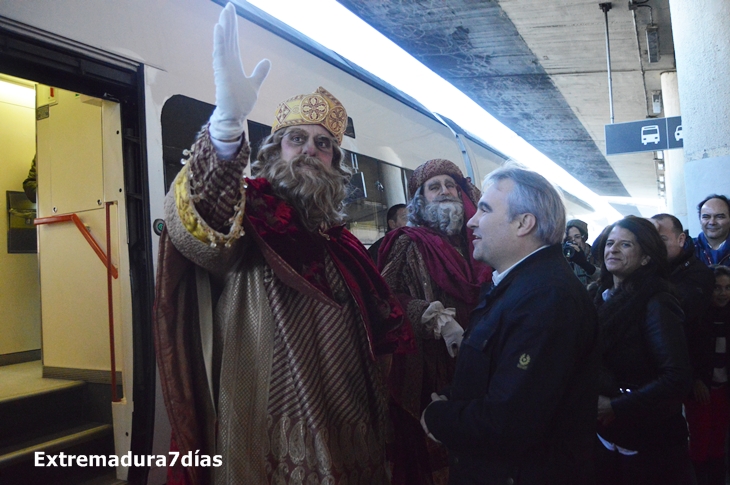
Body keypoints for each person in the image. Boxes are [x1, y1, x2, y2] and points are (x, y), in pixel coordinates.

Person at [153, 5, 411, 484]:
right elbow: (201, 232)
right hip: (266, 424)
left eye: (323, 144)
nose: (311, 150)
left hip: (348, 420)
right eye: (297, 139)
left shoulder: (340, 241)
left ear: (335, 164)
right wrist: (227, 127)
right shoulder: (249, 212)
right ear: (274, 151)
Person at [421, 165, 599, 484]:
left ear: (523, 223)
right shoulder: (520, 286)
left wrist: (438, 416)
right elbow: (497, 374)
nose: (472, 219)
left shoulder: (546, 298)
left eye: (485, 209)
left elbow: (509, 422)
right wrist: (453, 397)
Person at [377, 159, 491, 484]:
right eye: (434, 186)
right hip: (428, 365)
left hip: (478, 361)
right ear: (420, 199)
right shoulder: (406, 241)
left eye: (450, 185)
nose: (445, 191)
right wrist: (433, 318)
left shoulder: (477, 243)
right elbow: (383, 297)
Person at [592, 216, 693, 485]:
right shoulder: (600, 297)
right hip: (613, 435)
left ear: (646, 258)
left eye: (625, 245)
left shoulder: (656, 302)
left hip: (650, 440)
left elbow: (677, 376)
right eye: (610, 243)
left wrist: (615, 406)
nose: (612, 249)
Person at [684, 265, 730, 485]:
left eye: (728, 287)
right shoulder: (697, 317)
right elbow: (686, 353)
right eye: (717, 288)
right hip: (701, 389)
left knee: (719, 442)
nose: (723, 293)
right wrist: (695, 380)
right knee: (700, 442)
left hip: (723, 389)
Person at [651, 213, 714, 339]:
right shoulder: (649, 265)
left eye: (662, 239)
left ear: (681, 240)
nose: (655, 246)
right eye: (652, 239)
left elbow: (673, 311)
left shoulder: (699, 274)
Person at [695, 195, 730, 266]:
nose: (712, 222)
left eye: (719, 217)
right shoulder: (687, 250)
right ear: (700, 220)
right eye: (706, 217)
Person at [564, 218, 600, 285]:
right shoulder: (565, 255)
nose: (573, 241)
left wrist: (585, 264)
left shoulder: (595, 254)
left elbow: (603, 277)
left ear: (584, 238)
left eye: (577, 237)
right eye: (569, 239)